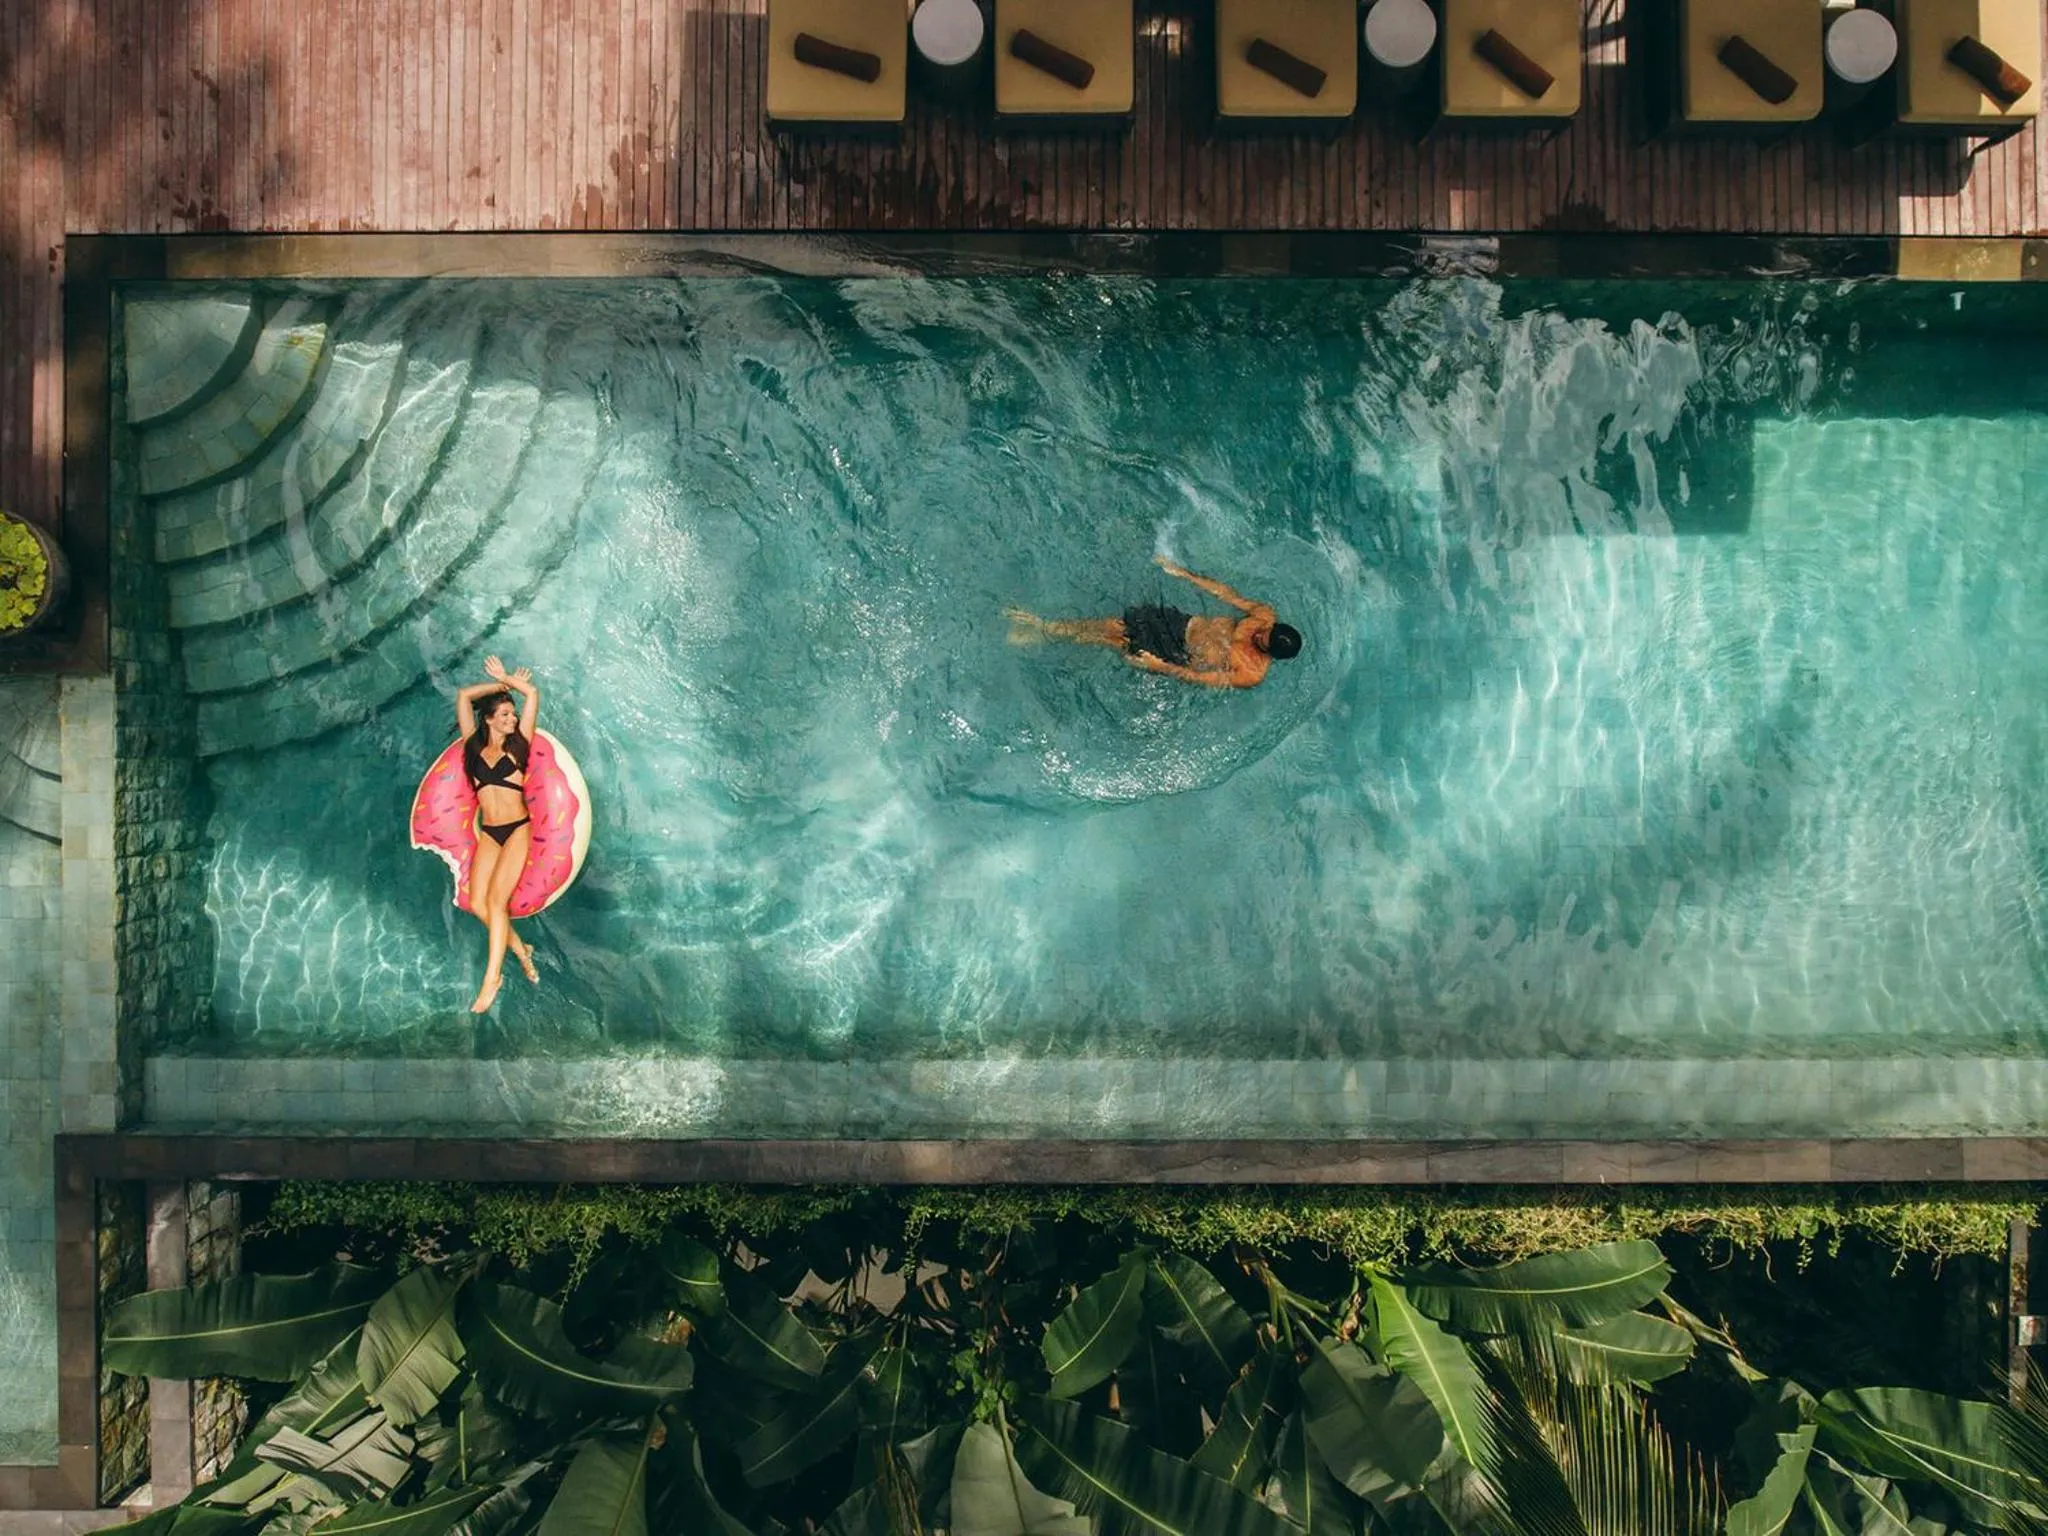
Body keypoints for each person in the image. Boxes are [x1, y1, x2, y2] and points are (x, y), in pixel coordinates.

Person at [1007, 556, 1302, 689]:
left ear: (1269, 652)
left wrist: (1159, 667)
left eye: (1262, 639)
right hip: (1184, 624)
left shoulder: (1251, 674)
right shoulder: (1263, 616)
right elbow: (1226, 593)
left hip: (1178, 653)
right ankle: (1046, 627)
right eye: (1265, 630)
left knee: (1118, 641)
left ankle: (1044, 632)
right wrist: (1184, 574)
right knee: (1115, 625)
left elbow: (1201, 679)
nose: (1259, 632)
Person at [454, 656, 542, 1012]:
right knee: (477, 904)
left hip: (518, 829)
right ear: (489, 719)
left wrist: (507, 678)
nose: (513, 718)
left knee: (495, 903)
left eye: (513, 713)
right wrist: (499, 688)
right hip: (490, 832)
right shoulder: (472, 746)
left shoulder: (520, 743)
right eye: (504, 714)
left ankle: (492, 980)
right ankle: (522, 950)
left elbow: (532, 693)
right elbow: (463, 696)